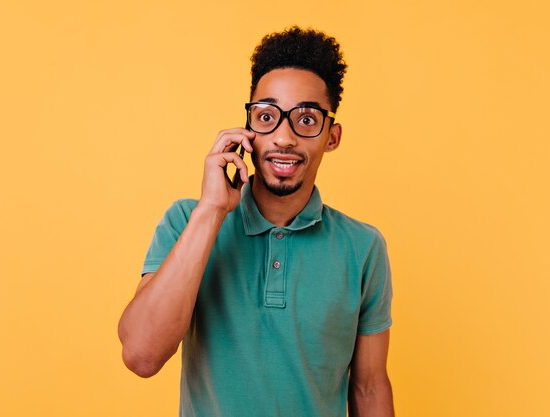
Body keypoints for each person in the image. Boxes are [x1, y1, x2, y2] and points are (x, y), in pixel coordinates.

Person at [118, 26, 394, 417]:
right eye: (267, 116)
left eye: (307, 119)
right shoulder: (187, 221)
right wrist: (211, 211)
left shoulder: (363, 247)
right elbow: (141, 356)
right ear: (247, 129)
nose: (284, 137)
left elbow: (368, 388)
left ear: (331, 137)